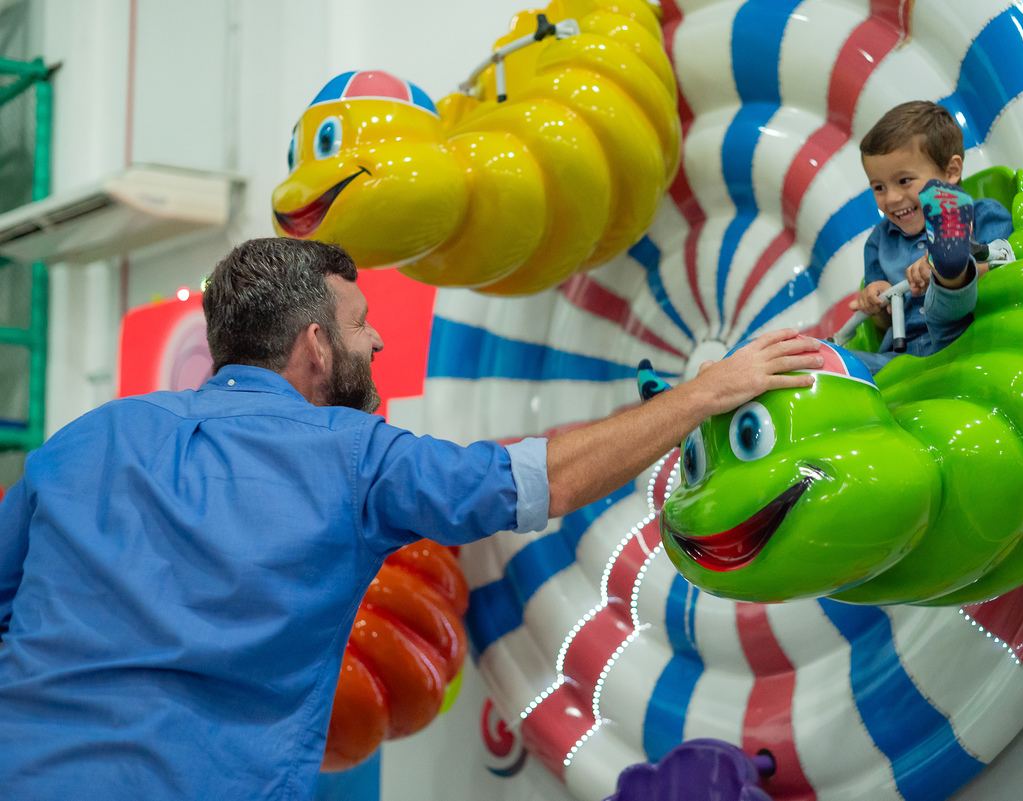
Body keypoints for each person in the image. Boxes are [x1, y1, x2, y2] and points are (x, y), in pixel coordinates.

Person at [0, 237, 823, 800]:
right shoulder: (356, 456)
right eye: (362, 326)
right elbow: (544, 480)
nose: (380, 342)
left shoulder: (82, 441)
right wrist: (711, 390)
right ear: (317, 347)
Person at [848, 100, 1014, 374]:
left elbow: (1002, 270)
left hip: (965, 339)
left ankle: (949, 270)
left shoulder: (984, 214)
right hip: (900, 361)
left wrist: (935, 272)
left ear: (951, 172)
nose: (890, 198)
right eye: (878, 187)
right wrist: (874, 301)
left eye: (904, 181)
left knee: (945, 303)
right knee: (834, 364)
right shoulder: (879, 240)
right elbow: (883, 325)